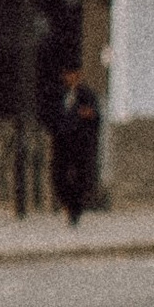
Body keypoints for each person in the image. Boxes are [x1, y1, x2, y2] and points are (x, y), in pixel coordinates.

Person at [48, 66, 101, 226]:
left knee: (80, 176)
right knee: (59, 176)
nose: (69, 78)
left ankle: (75, 209)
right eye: (67, 75)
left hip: (80, 142)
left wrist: (87, 116)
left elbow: (94, 115)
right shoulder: (59, 94)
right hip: (62, 142)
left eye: (72, 74)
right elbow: (53, 114)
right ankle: (66, 203)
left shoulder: (87, 94)